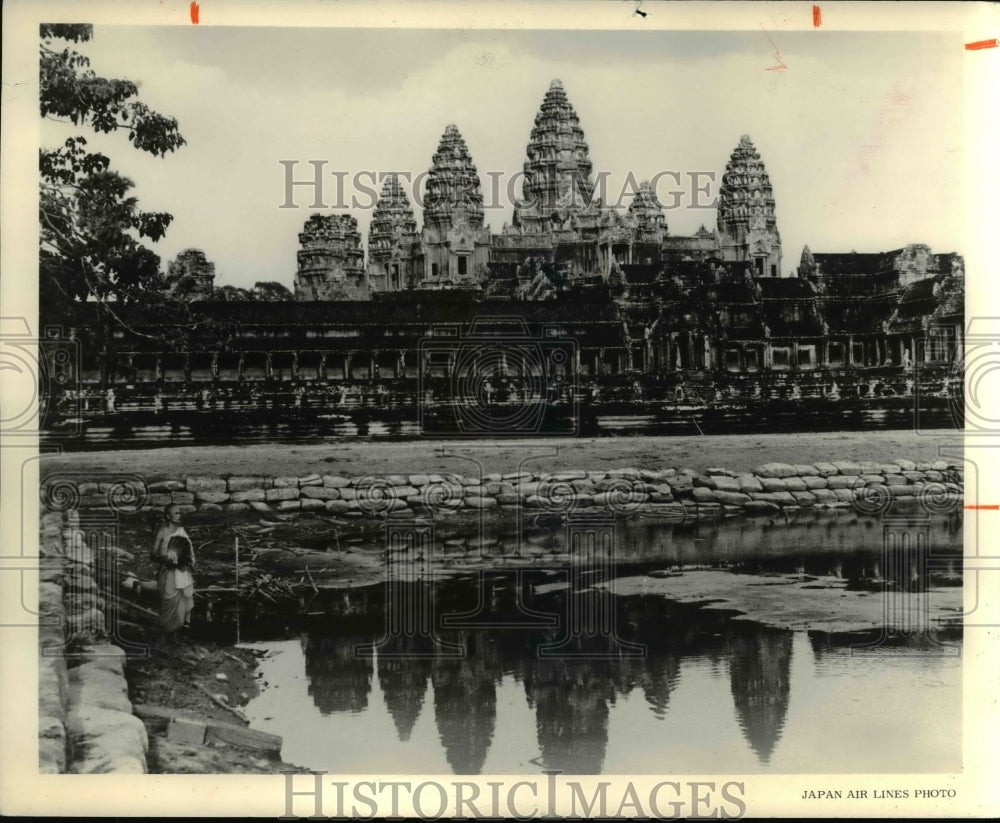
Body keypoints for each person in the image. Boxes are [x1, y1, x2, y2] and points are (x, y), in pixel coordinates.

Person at [126, 504, 196, 643]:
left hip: (181, 571)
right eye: (176, 513)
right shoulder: (162, 532)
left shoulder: (182, 531)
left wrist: (186, 562)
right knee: (168, 602)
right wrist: (165, 559)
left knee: (183, 601)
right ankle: (165, 635)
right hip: (167, 571)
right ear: (168, 516)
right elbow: (153, 555)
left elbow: (189, 552)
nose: (179, 515)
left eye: (179, 512)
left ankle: (176, 634)